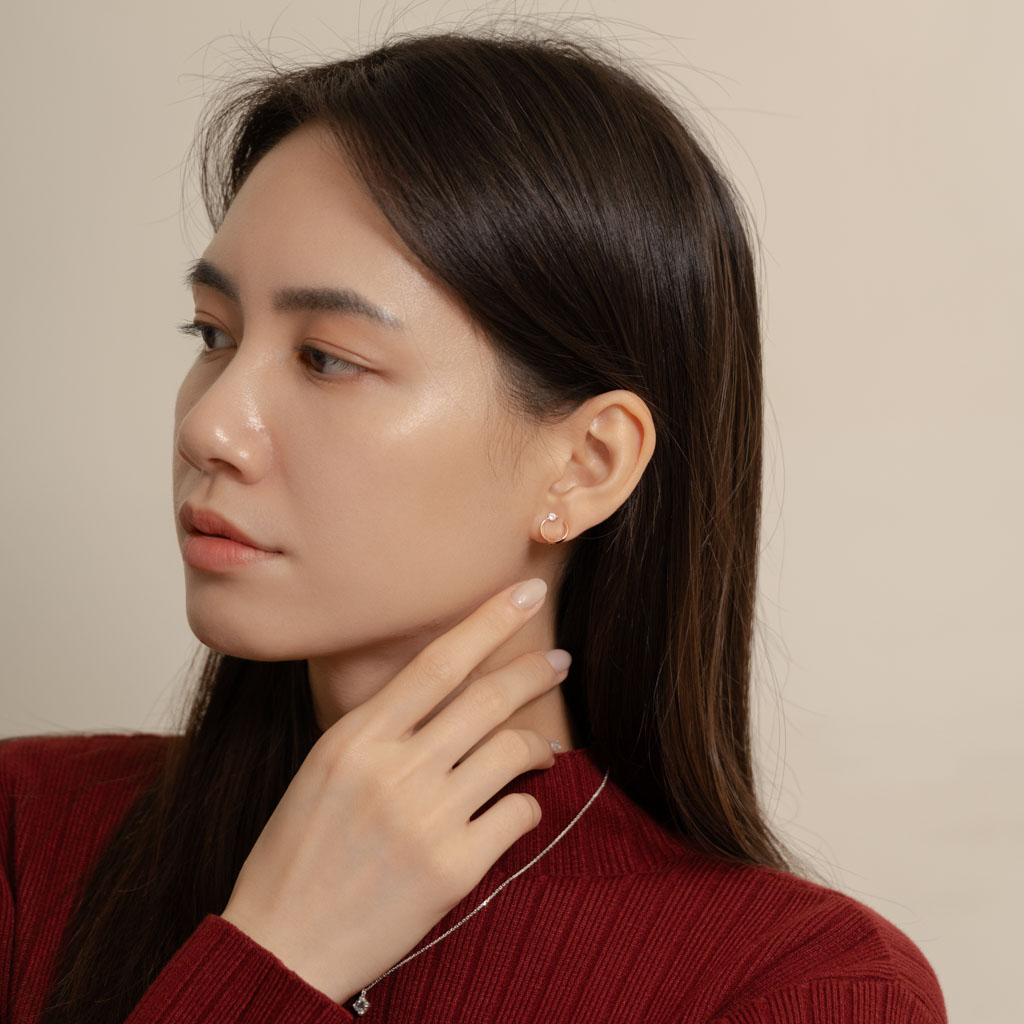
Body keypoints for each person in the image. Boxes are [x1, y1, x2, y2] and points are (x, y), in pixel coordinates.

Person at [0, 28, 946, 1024]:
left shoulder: (803, 986)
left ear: (586, 464)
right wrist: (280, 952)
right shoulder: (27, 833)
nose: (208, 427)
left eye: (326, 358)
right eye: (214, 334)